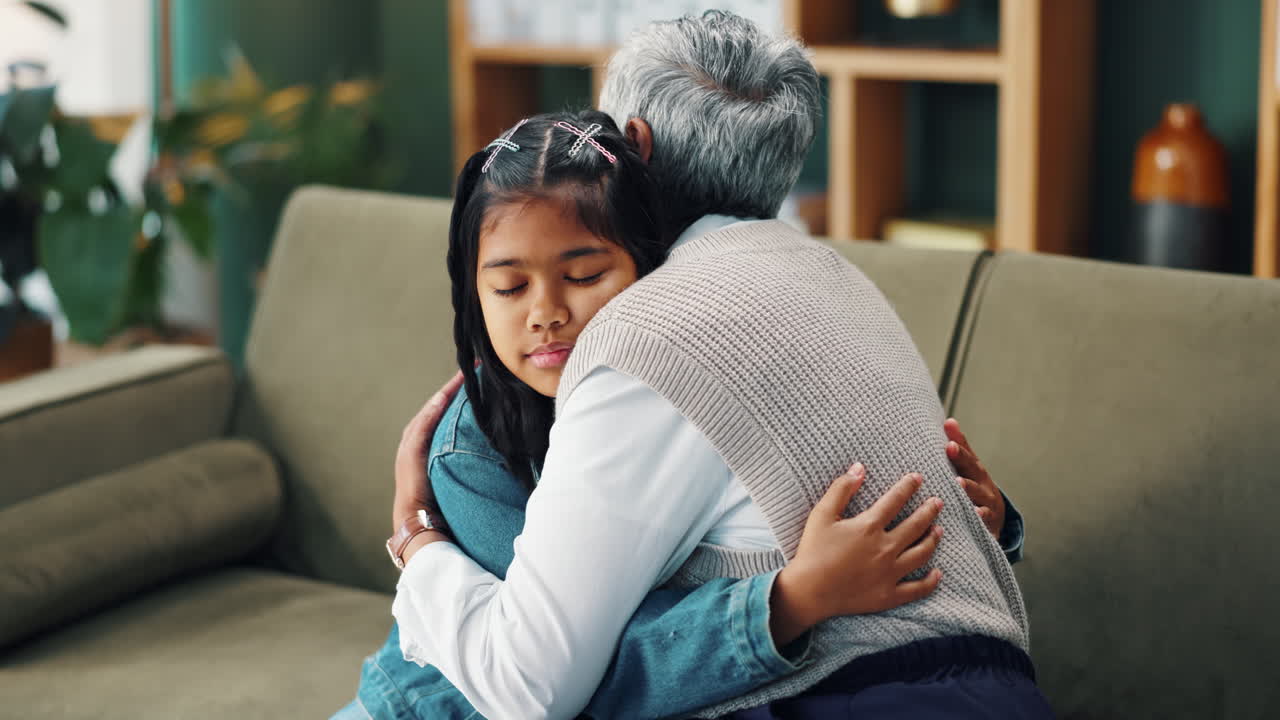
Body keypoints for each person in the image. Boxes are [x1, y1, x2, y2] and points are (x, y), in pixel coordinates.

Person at [388, 10, 1051, 720]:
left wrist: (417, 539)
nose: (547, 311)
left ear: (630, 143)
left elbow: (530, 686)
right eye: (511, 286)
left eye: (580, 275)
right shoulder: (837, 277)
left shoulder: (646, 338)